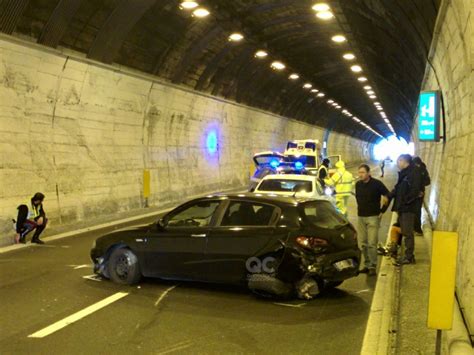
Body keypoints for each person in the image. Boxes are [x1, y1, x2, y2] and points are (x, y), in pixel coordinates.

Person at [355, 164, 390, 276]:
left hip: (373, 217)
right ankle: (367, 264)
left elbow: (388, 195)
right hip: (361, 216)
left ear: (369, 173)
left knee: (372, 243)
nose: (360, 174)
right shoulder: (358, 185)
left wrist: (382, 210)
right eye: (359, 172)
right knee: (363, 243)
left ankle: (373, 266)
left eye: (363, 172)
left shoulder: (377, 184)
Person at [389, 154, 423, 265]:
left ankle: (409, 257)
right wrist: (389, 196)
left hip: (408, 208)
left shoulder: (413, 173)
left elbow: (414, 191)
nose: (397, 163)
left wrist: (405, 201)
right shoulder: (405, 173)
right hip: (402, 208)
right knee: (404, 231)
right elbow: (398, 189)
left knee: (408, 233)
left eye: (398, 161)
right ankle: (406, 254)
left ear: (403, 161)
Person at [412, 156, 431, 235]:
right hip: (415, 193)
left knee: (416, 211)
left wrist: (420, 188)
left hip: (419, 194)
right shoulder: (420, 169)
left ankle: (417, 229)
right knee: (415, 211)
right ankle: (415, 228)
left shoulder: (423, 169)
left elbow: (427, 181)